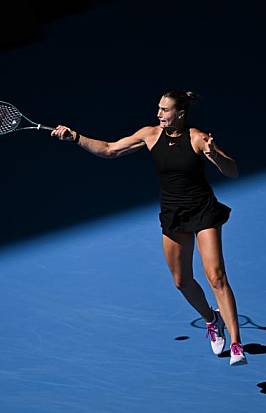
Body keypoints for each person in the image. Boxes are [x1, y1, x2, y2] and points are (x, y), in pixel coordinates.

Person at [51, 90, 247, 366]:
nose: (159, 114)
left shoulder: (198, 138)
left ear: (180, 113)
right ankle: (211, 318)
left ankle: (237, 344)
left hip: (203, 210)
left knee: (216, 276)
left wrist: (214, 154)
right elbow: (110, 149)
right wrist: (76, 137)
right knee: (181, 281)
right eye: (158, 109)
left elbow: (233, 171)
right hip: (173, 215)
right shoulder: (150, 134)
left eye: (165, 110)